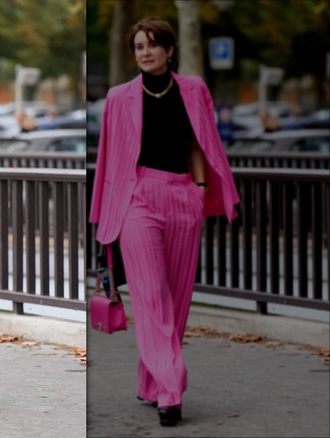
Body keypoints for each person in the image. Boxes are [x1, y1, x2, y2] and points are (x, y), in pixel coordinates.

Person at [89, 17, 240, 427]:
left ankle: (151, 382)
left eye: (153, 45)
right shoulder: (119, 97)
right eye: (139, 47)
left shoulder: (194, 89)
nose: (145, 52)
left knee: (176, 297)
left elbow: (200, 142)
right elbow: (109, 159)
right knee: (151, 295)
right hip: (137, 198)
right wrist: (104, 214)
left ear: (170, 50)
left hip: (183, 195)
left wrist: (200, 188)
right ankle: (171, 389)